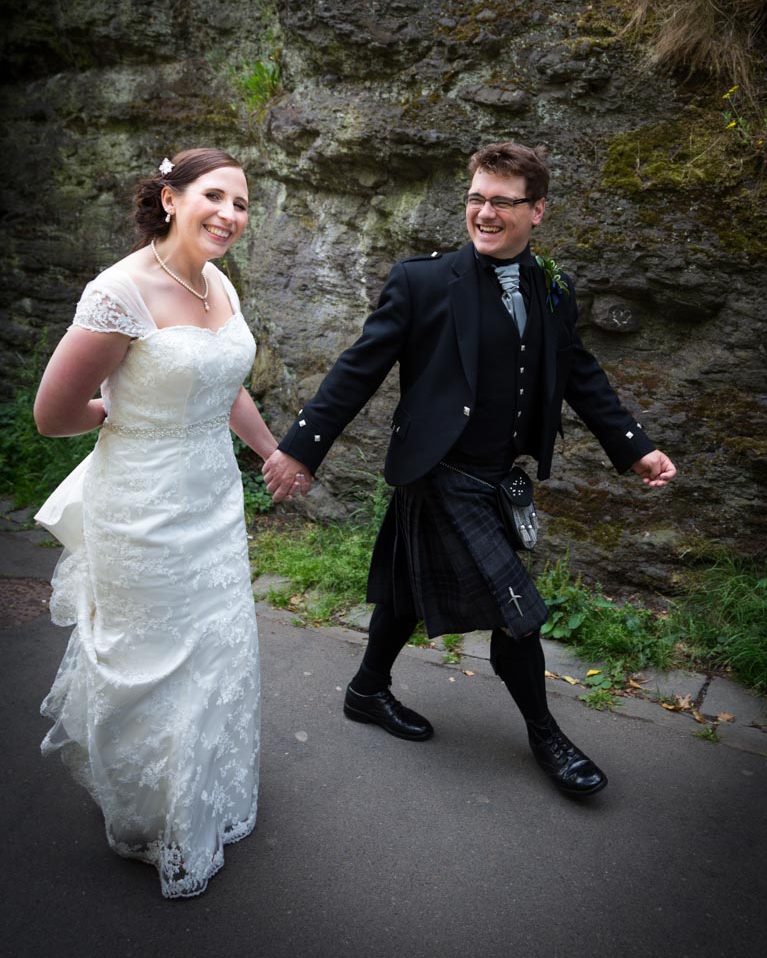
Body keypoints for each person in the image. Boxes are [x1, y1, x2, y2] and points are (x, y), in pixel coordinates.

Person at [263, 141, 676, 798]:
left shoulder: (551, 288)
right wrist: (300, 447)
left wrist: (633, 445)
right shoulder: (423, 282)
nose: (484, 213)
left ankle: (366, 689)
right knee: (518, 610)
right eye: (476, 198)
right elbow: (357, 369)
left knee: (405, 593)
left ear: (537, 210)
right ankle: (547, 735)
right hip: (438, 470)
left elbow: (578, 373)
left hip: (495, 476)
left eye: (501, 202)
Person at [33, 148, 280, 897]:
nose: (230, 215)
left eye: (241, 204)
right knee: (151, 659)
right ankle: (146, 813)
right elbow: (53, 414)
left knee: (213, 648)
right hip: (142, 507)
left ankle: (201, 792)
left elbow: (224, 382)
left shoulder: (217, 282)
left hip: (213, 500)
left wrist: (271, 450)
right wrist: (119, 412)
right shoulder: (120, 292)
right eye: (215, 196)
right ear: (170, 198)